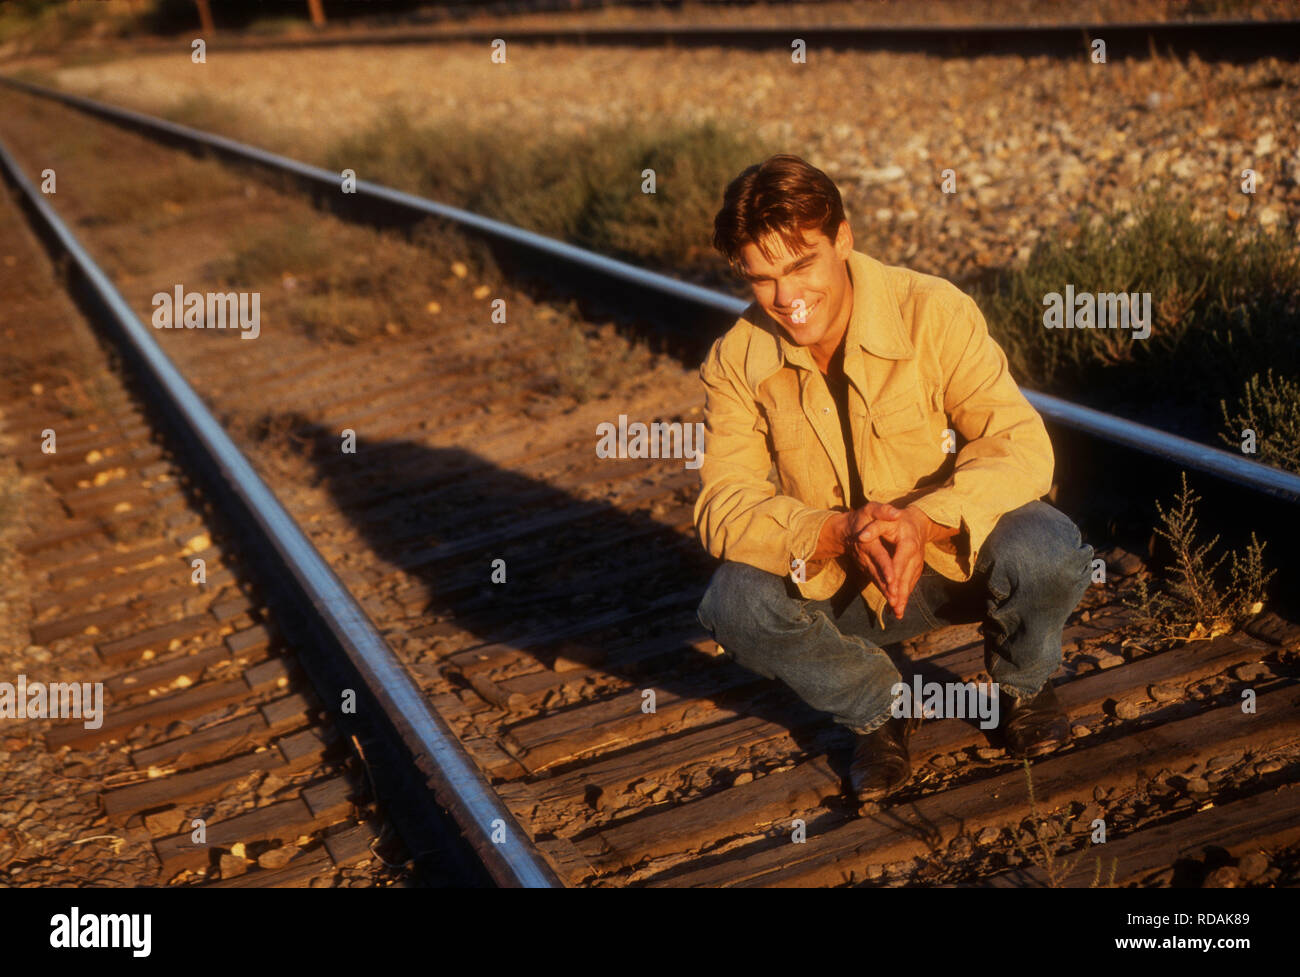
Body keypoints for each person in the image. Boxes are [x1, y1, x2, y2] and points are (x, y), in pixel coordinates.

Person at [694, 154, 1094, 803]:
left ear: (843, 239)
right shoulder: (734, 360)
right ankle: (878, 709)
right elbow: (723, 504)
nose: (787, 298)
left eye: (801, 264)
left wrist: (924, 518)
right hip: (840, 587)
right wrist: (833, 532)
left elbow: (1021, 444)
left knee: (1046, 545)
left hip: (942, 561)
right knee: (733, 601)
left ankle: (1023, 687)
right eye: (763, 278)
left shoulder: (933, 309)